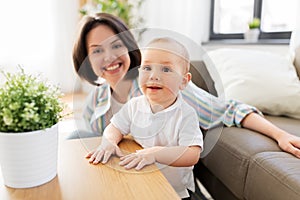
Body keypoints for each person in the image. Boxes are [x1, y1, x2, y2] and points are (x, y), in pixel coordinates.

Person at [71, 13, 300, 159]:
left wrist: (279, 134)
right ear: (87, 60)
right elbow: (96, 143)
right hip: (122, 173)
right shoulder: (95, 100)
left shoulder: (161, 88)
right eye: (97, 50)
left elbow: (229, 109)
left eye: (116, 45)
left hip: (162, 178)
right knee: (74, 136)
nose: (109, 57)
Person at [86, 37, 203, 199]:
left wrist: (155, 153)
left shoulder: (186, 115)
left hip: (176, 192)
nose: (154, 76)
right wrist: (109, 142)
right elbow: (115, 127)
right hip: (143, 182)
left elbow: (192, 154)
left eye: (166, 69)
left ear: (183, 82)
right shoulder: (135, 105)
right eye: (147, 67)